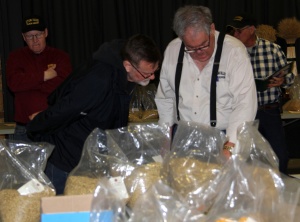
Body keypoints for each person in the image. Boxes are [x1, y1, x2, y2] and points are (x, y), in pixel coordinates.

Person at [26, 33, 162, 194]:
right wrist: (35, 127)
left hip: (91, 160)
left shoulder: (125, 76)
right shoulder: (99, 79)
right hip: (67, 160)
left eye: (154, 72)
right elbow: (65, 109)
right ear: (127, 65)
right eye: (147, 73)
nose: (152, 77)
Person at [155, 5, 257, 155]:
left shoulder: (234, 51)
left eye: (204, 44)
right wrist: (165, 141)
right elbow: (166, 100)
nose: (199, 53)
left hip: (224, 136)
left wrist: (230, 146)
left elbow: (244, 103)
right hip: (183, 137)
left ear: (212, 28)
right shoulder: (173, 50)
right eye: (191, 48)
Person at [226, 13, 295, 174]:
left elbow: (290, 78)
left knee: (280, 156)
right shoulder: (230, 52)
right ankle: (251, 195)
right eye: (233, 31)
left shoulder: (272, 49)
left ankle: (279, 192)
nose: (235, 34)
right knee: (244, 157)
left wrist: (282, 81)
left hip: (269, 111)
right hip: (241, 113)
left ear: (251, 29)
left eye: (238, 30)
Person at [6, 15, 72, 142]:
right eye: (30, 36)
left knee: (55, 162)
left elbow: (63, 87)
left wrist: (27, 83)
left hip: (55, 127)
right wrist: (44, 76)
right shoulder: (15, 57)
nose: (35, 40)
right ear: (24, 37)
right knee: (23, 163)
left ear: (46, 33)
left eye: (38, 34)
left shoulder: (60, 57)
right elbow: (13, 84)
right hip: (24, 129)